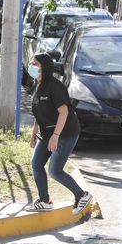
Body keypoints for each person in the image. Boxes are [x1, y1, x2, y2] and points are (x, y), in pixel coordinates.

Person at [23, 53, 93, 215]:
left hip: (65, 133)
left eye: (35, 64)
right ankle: (44, 201)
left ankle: (82, 195)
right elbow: (38, 112)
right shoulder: (36, 85)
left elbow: (64, 112)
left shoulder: (54, 86)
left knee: (55, 170)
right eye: (31, 63)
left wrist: (55, 136)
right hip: (46, 132)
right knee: (36, 164)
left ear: (44, 67)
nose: (32, 67)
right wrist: (34, 134)